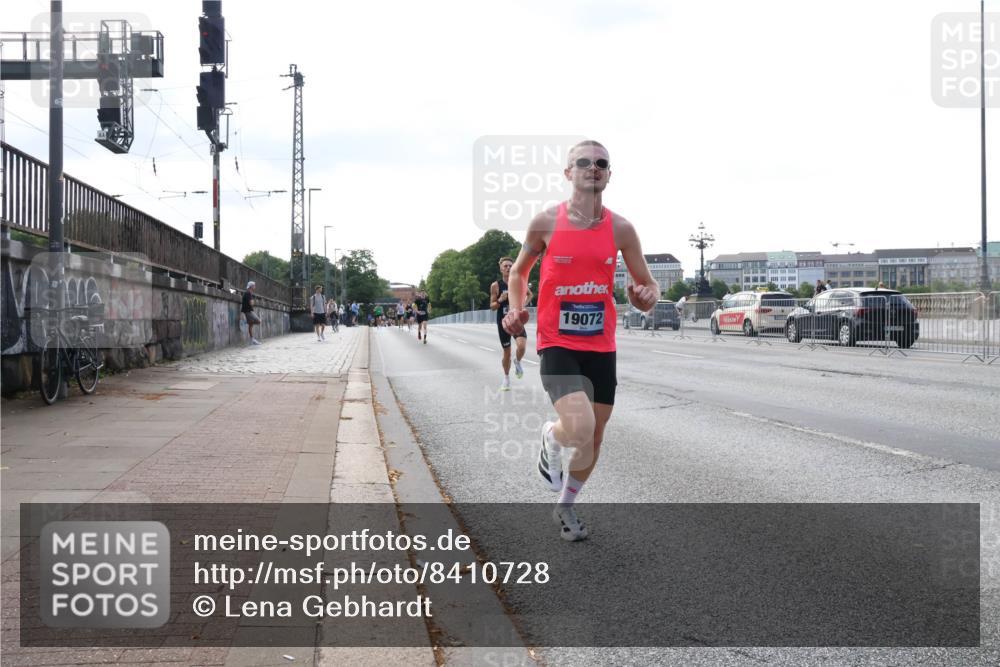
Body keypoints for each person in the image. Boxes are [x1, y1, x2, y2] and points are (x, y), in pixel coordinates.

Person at [502, 140, 658, 542]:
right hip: (558, 342)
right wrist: (516, 309)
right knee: (579, 425)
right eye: (583, 163)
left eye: (601, 163)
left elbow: (647, 287)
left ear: (609, 174)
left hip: (601, 345)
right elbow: (518, 273)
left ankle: (566, 506)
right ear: (568, 172)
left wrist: (645, 298)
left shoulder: (621, 229)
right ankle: (551, 436)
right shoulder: (545, 223)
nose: (593, 168)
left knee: (595, 435)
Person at [491, 256, 533, 391]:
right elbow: (492, 306)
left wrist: (521, 305)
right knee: (507, 352)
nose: (508, 268)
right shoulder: (496, 285)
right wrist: (500, 300)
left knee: (521, 346)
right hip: (503, 322)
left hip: (516, 321)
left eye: (510, 265)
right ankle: (506, 378)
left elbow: (530, 294)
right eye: (505, 266)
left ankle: (518, 361)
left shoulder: (518, 281)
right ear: (501, 268)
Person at [242, 281, 262, 345]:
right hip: (248, 311)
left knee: (251, 325)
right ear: (251, 286)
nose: (255, 287)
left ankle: (252, 340)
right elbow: (251, 303)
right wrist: (252, 301)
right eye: (254, 286)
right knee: (258, 321)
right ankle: (252, 339)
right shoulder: (248, 293)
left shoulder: (248, 293)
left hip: (249, 311)